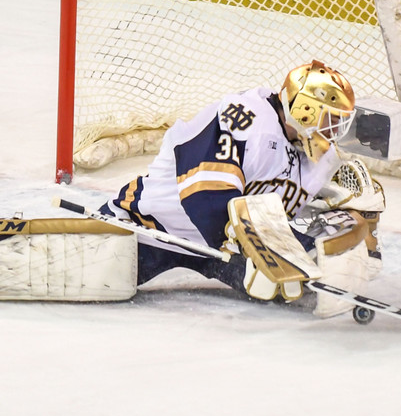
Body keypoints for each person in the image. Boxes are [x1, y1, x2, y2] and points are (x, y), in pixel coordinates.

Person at [100, 60, 385, 314]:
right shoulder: (247, 119)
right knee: (97, 278)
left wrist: (349, 231)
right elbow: (204, 197)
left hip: (220, 252)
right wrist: (257, 252)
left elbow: (321, 206)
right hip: (148, 228)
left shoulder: (318, 154)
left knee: (300, 285)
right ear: (305, 110)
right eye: (331, 119)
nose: (335, 130)